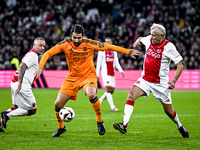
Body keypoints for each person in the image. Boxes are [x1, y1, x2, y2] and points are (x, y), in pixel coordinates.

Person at [34, 24, 141, 137]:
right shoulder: (65, 43)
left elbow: (108, 47)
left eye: (79, 37)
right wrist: (40, 66)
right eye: (74, 37)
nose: (76, 40)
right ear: (71, 36)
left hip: (88, 76)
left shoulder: (89, 43)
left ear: (83, 36)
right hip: (72, 78)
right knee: (57, 104)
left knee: (91, 94)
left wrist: (128, 51)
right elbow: (48, 53)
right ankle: (61, 127)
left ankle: (99, 121)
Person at [113, 23, 189, 138]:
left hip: (161, 84)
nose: (151, 37)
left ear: (161, 36)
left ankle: (180, 126)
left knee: (169, 112)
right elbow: (140, 39)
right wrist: (137, 42)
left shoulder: (169, 47)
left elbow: (180, 65)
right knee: (131, 95)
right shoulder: (149, 39)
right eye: (151, 35)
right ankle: (124, 125)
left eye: (154, 36)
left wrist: (173, 81)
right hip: (145, 80)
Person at [0, 37, 46, 132]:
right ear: (34, 45)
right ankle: (7, 115)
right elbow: (22, 67)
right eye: (40, 45)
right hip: (22, 84)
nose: (42, 48)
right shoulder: (33, 55)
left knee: (16, 107)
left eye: (44, 46)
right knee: (32, 110)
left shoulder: (32, 54)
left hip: (14, 82)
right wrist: (20, 83)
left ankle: (0, 124)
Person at [96, 37, 124, 111]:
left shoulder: (114, 51)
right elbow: (98, 64)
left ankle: (99, 100)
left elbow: (116, 62)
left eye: (109, 41)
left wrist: (121, 70)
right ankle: (112, 107)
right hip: (105, 73)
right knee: (108, 89)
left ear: (111, 43)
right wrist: (97, 74)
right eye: (106, 42)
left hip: (112, 72)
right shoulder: (101, 52)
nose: (108, 43)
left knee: (112, 90)